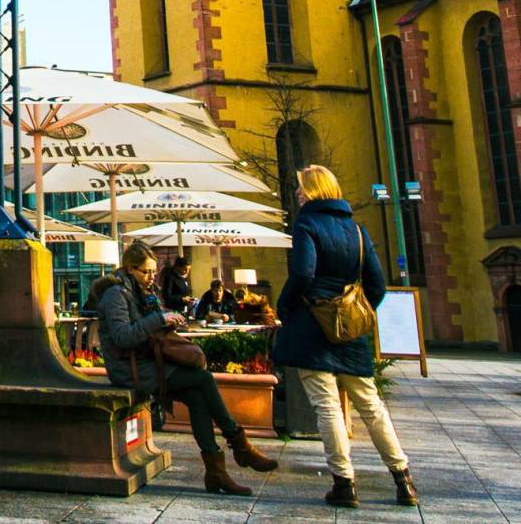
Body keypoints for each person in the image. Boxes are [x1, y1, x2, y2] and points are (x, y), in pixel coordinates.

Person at [273, 163, 417, 509]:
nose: (297, 192)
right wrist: (355, 312)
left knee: (326, 406)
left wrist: (286, 306)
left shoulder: (307, 223)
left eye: (301, 187)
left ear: (313, 191)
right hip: (349, 330)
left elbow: (303, 272)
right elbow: (377, 284)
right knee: (370, 405)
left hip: (312, 323)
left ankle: (344, 482)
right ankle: (403, 478)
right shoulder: (356, 230)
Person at [94, 240, 278, 496]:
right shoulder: (116, 294)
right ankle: (238, 443)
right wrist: (158, 319)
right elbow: (123, 336)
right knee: (202, 379)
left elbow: (146, 328)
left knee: (197, 397)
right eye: (145, 272)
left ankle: (216, 472)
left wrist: (166, 320)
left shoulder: (140, 291)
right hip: (130, 369)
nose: (151, 277)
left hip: (148, 362)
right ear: (130, 268)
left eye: (153, 271)